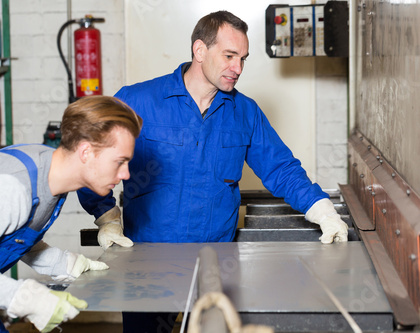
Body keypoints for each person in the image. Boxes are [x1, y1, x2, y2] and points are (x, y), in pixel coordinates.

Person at [77, 10, 349, 333]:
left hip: (214, 267)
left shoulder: (244, 112)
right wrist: (107, 217)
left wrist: (323, 210)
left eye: (243, 59)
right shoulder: (138, 102)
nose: (238, 69)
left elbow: (281, 168)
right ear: (200, 51)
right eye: (229, 56)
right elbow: (90, 160)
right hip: (145, 266)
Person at [0, 96, 142, 332]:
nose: (126, 174)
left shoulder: (50, 173)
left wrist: (63, 263)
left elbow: (7, 234)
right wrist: (27, 299)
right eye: (120, 161)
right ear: (86, 152)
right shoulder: (10, 187)